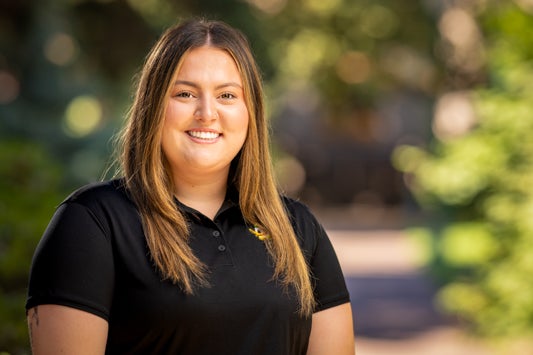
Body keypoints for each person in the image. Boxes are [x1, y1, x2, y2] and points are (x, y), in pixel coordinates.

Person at [25, 18, 355, 354]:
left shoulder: (297, 228)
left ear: (250, 112)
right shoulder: (93, 223)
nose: (207, 113)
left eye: (227, 95)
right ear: (153, 107)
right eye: (185, 93)